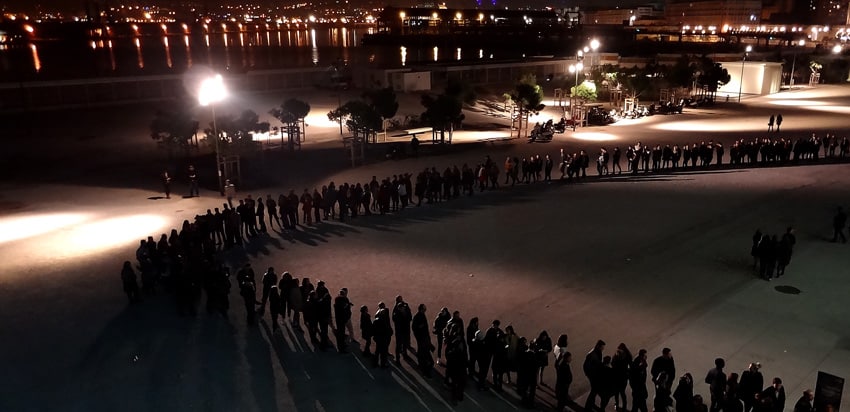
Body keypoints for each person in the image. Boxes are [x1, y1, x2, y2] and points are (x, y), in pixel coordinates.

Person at [412, 304, 434, 377]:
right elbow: (415, 328)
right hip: (422, 339)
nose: (425, 309)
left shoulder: (422, 315)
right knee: (425, 357)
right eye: (424, 308)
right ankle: (425, 371)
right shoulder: (417, 317)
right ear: (421, 309)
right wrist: (419, 337)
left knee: (423, 354)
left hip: (424, 339)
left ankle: (422, 366)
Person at [584, 339, 606, 412]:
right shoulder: (592, 354)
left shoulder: (598, 352)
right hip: (593, 375)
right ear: (598, 346)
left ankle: (591, 404)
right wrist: (590, 375)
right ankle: (588, 406)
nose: (603, 349)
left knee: (594, 390)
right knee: (594, 391)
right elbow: (586, 366)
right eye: (602, 347)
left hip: (595, 374)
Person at [613, 343, 634, 411]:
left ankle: (617, 404)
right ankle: (624, 406)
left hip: (616, 377)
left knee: (616, 392)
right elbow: (631, 366)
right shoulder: (627, 356)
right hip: (624, 377)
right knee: (622, 392)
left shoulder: (616, 356)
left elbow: (613, 364)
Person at [392, 295, 412, 363]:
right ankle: (398, 359)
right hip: (400, 331)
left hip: (405, 330)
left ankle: (405, 354)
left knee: (405, 343)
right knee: (399, 345)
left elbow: (409, 316)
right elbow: (396, 321)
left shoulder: (405, 307)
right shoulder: (396, 314)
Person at [372, 302, 393, 368]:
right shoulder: (384, 321)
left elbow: (374, 330)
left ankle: (375, 363)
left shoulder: (376, 321)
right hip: (383, 338)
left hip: (378, 338)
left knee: (378, 350)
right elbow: (387, 328)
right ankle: (383, 364)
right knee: (383, 351)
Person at [333, 289, 353, 353]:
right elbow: (343, 309)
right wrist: (347, 306)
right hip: (341, 320)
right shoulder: (341, 302)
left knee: (341, 333)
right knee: (341, 334)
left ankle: (342, 345)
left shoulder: (338, 301)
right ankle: (341, 348)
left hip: (341, 320)